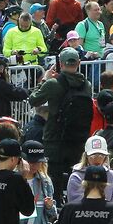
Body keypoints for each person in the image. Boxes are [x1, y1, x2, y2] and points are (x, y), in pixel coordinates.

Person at [28, 47, 94, 199]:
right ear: (78, 63)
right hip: (78, 138)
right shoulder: (87, 85)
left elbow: (34, 99)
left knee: (53, 179)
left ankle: (55, 210)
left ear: (60, 64)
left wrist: (45, 79)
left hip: (55, 138)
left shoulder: (53, 84)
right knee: (76, 178)